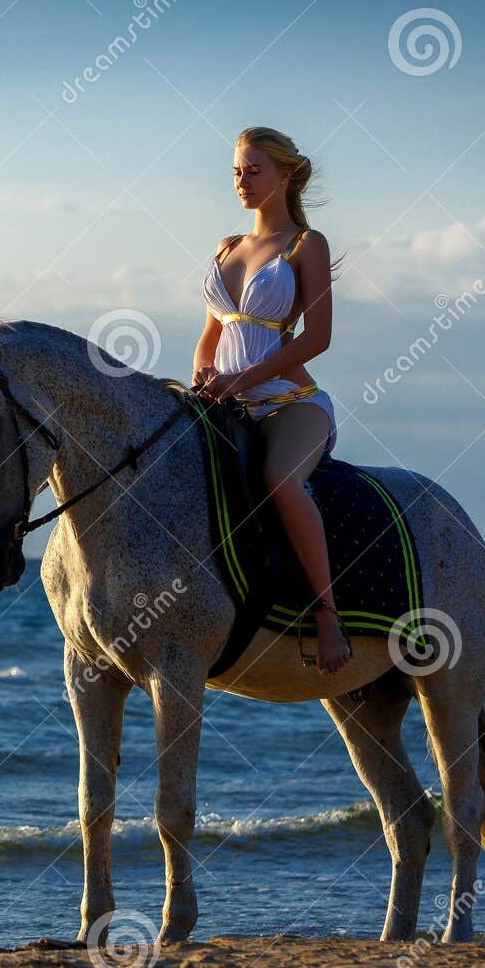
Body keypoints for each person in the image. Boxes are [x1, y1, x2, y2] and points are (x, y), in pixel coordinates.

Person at [190, 126, 351, 676]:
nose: (242, 180)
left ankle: (327, 614)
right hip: (227, 402)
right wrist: (204, 379)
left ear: (285, 175)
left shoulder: (307, 244)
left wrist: (243, 380)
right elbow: (210, 339)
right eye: (237, 170)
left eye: (254, 170)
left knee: (279, 476)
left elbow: (316, 338)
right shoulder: (226, 247)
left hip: (291, 402)